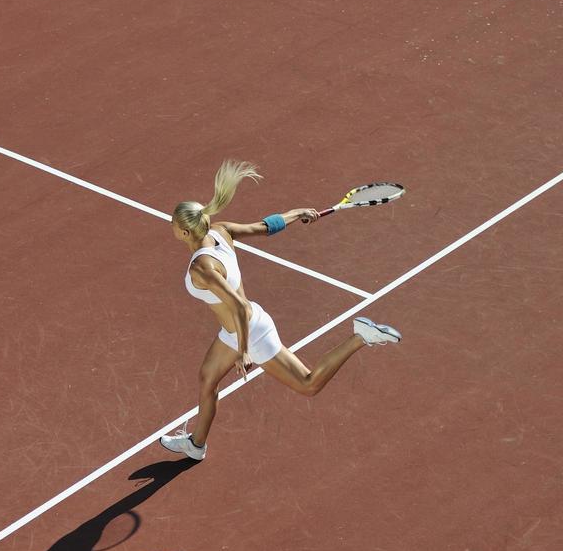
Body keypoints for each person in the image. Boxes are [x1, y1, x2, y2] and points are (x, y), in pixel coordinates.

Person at [160, 160, 400, 461]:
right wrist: (297, 212)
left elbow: (236, 305)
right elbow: (265, 226)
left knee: (308, 384)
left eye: (172, 225)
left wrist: (245, 351)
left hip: (249, 331)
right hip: (236, 330)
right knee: (207, 378)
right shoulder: (221, 232)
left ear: (184, 232)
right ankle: (196, 445)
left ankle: (361, 337)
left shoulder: (202, 268)